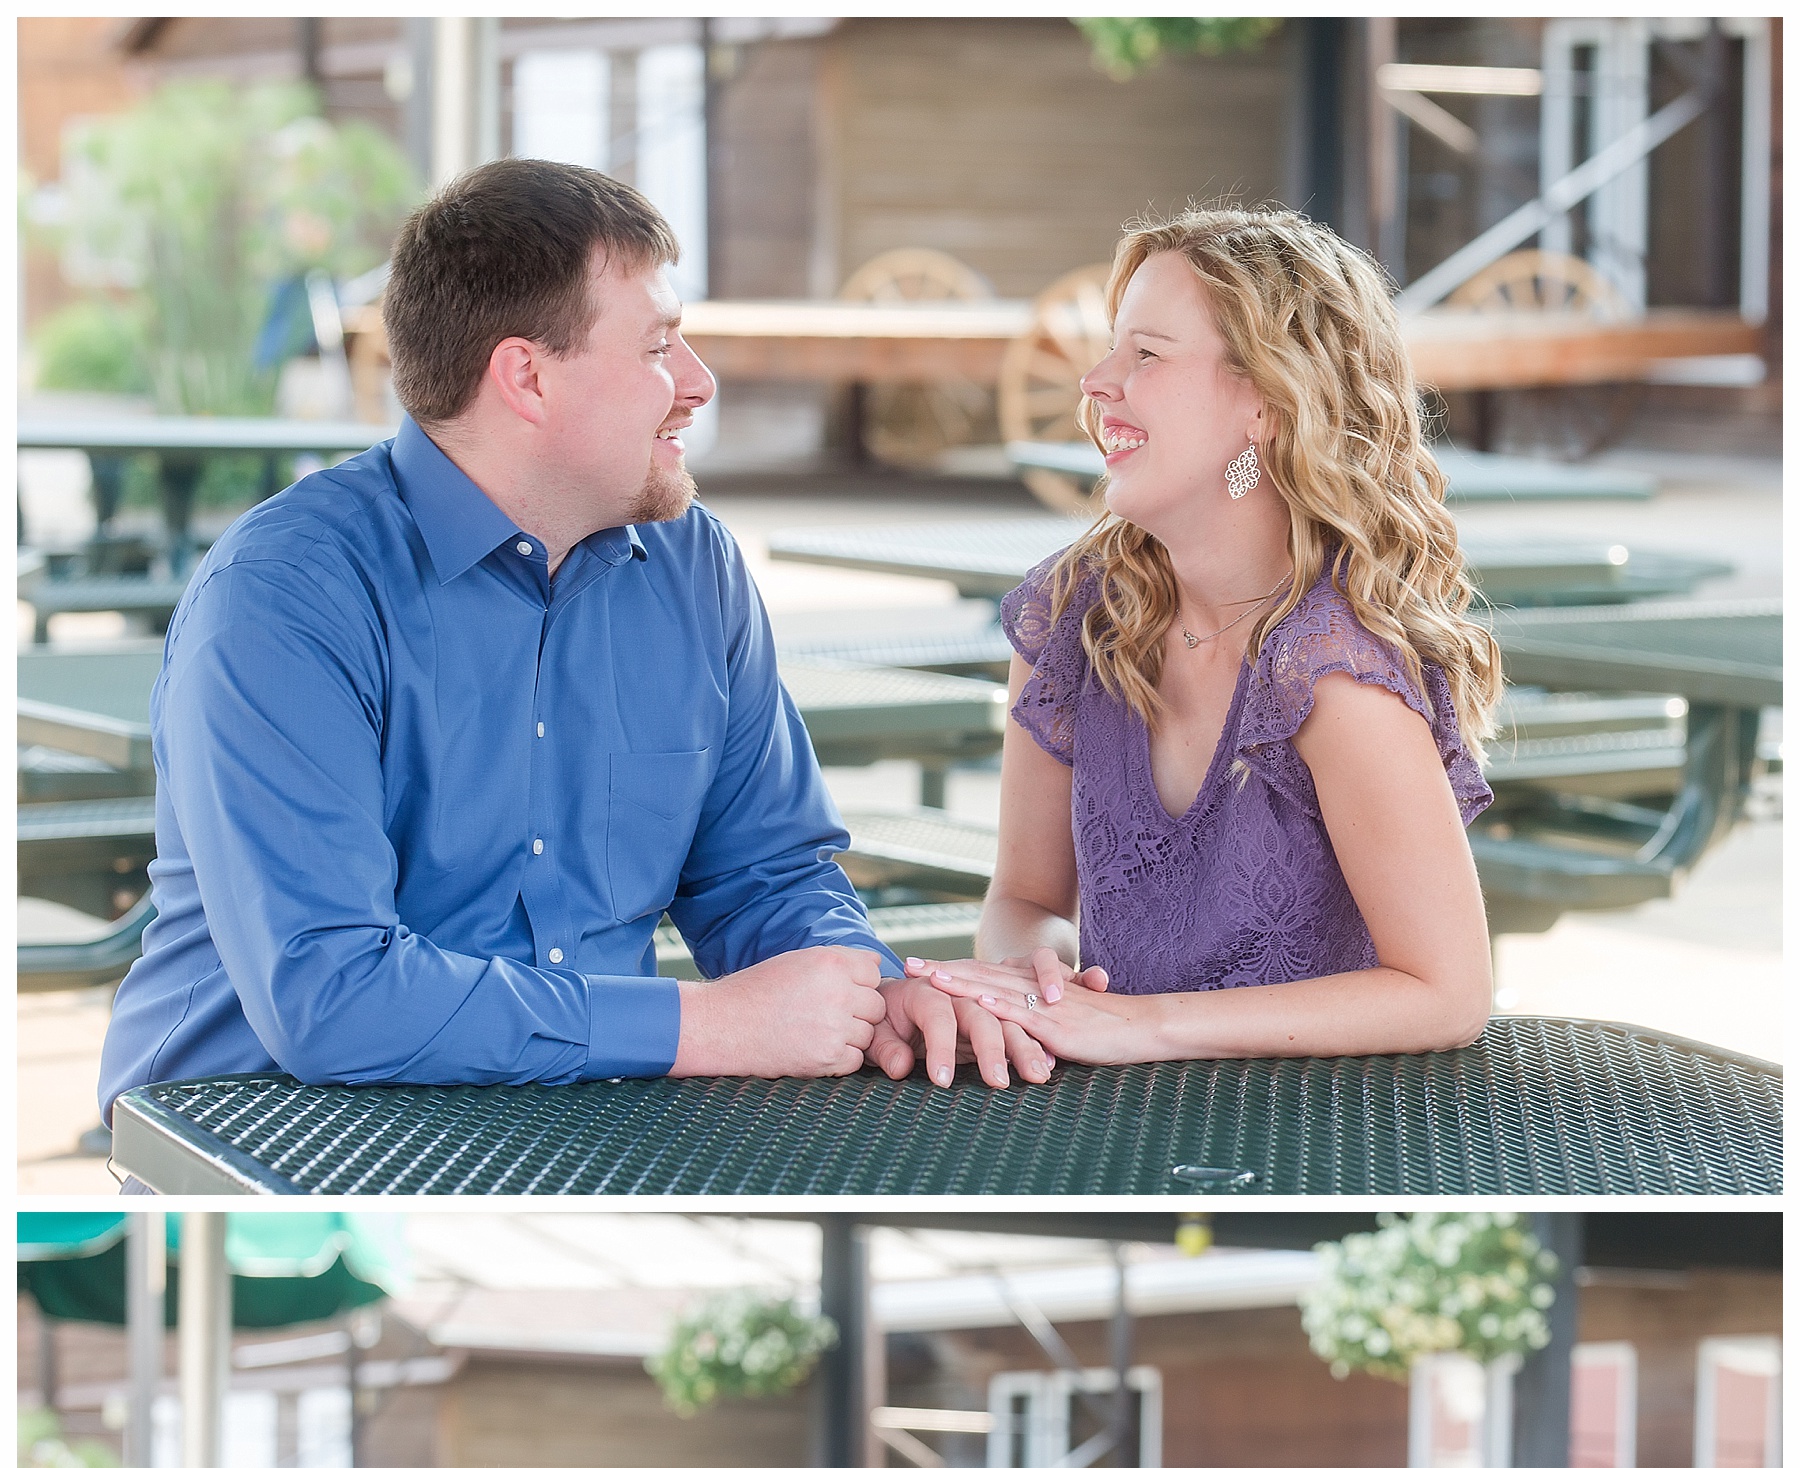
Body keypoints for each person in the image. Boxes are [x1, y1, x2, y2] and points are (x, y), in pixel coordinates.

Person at [96, 158, 1047, 1133]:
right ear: (528, 377)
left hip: (574, 1124)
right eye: (659, 346)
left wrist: (873, 994)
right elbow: (332, 999)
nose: (698, 385)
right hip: (252, 1134)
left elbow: (762, 875)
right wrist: (710, 1026)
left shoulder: (692, 563)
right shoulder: (283, 596)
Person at [904, 205, 1500, 1065]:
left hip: (1321, 1137)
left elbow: (1448, 993)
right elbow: (1024, 897)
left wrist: (1143, 1026)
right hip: (1113, 1118)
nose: (1095, 381)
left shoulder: (1334, 675)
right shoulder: (1074, 615)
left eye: (1146, 354)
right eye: (1113, 348)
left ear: (1265, 403)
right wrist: (1034, 978)